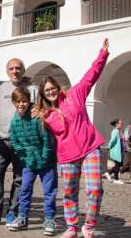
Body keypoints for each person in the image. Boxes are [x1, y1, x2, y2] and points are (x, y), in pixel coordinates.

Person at [33, 38, 109, 238]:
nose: (50, 91)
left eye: (52, 88)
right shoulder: (43, 115)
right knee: (69, 192)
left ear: (58, 87)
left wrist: (102, 55)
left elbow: (91, 76)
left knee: (95, 189)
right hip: (67, 156)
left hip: (91, 147)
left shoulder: (75, 94)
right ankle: (72, 227)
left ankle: (89, 225)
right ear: (43, 93)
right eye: (46, 90)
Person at [0, 58, 36, 227]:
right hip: (0, 139)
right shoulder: (1, 88)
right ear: (7, 71)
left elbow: (40, 109)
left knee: (19, 179)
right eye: (11, 68)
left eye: (18, 68)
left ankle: (13, 212)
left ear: (23, 70)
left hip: (23, 143)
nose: (15, 71)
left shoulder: (33, 89)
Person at [8, 87, 57, 235]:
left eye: (24, 101)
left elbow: (47, 139)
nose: (21, 104)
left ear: (29, 101)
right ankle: (22, 217)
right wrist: (24, 156)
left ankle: (49, 220)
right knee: (25, 190)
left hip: (47, 163)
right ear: (13, 103)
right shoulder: (15, 121)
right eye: (18, 102)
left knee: (49, 191)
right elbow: (14, 140)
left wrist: (44, 157)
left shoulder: (37, 117)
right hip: (29, 162)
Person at [104, 119, 124, 184]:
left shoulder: (118, 131)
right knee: (117, 165)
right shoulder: (115, 131)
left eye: (122, 123)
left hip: (119, 150)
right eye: (120, 123)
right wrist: (109, 147)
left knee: (118, 164)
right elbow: (113, 140)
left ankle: (108, 173)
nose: (121, 125)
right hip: (116, 150)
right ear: (116, 124)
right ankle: (116, 179)